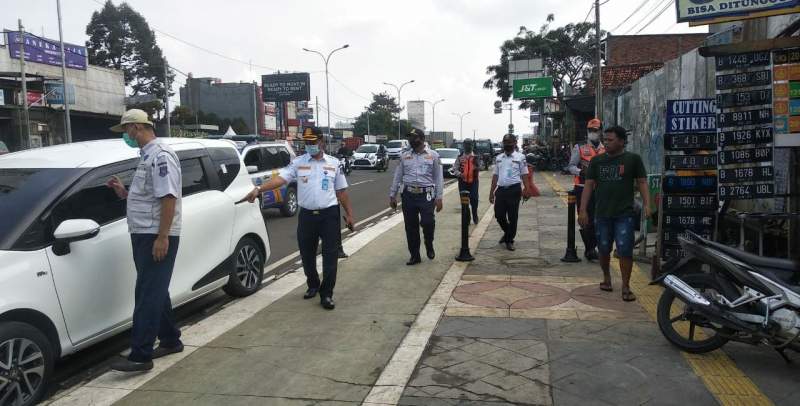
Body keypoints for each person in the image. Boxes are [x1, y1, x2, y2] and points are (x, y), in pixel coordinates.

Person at [106, 109, 184, 372]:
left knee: (147, 294)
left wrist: (162, 237)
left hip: (155, 235)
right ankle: (171, 340)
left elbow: (168, 198)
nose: (126, 136)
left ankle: (140, 355)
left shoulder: (160, 156)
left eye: (126, 131)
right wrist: (122, 193)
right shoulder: (147, 156)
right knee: (155, 291)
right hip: (145, 233)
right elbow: (149, 197)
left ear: (137, 128)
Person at [245, 127, 354, 310]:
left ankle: (326, 294)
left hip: (329, 215)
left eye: (313, 142)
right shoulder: (298, 163)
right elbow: (281, 179)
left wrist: (350, 214)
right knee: (306, 255)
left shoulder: (334, 163)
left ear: (321, 141)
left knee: (330, 257)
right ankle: (313, 284)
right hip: (307, 216)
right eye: (307, 142)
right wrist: (259, 189)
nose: (310, 145)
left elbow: (341, 191)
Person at [579, 125, 651, 302]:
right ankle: (606, 278)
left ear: (621, 141)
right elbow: (588, 185)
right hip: (602, 213)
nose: (606, 143)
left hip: (624, 214)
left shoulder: (633, 159)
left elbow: (642, 182)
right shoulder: (597, 161)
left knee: (625, 250)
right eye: (605, 140)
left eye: (610, 140)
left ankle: (626, 286)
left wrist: (648, 205)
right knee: (603, 248)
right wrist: (582, 210)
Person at [389, 128, 444, 265]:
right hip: (408, 195)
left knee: (428, 222)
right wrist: (393, 194)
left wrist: (439, 197)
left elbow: (438, 178)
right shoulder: (404, 156)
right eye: (410, 138)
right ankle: (415, 255)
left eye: (414, 137)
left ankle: (428, 243)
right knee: (411, 227)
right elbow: (398, 176)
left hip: (427, 195)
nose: (411, 140)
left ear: (422, 139)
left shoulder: (433, 155)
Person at [567, 118, 606, 261]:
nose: (592, 133)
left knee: (599, 219)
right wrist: (580, 172)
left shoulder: (605, 148)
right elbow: (571, 166)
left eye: (595, 130)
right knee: (585, 219)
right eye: (590, 130)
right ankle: (590, 249)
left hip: (601, 189)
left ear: (600, 131)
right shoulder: (580, 147)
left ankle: (592, 247)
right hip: (582, 188)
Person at [489, 134, 535, 251]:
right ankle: (508, 233)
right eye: (505, 142)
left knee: (513, 217)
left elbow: (524, 174)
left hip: (514, 190)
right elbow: (495, 176)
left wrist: (527, 189)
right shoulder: (499, 158)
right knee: (499, 215)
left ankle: (509, 240)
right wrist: (491, 192)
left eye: (510, 142)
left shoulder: (521, 157)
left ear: (515, 143)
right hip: (501, 190)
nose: (508, 144)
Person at [453, 138, 481, 224]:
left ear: (472, 146)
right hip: (463, 182)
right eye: (466, 144)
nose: (468, 146)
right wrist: (459, 174)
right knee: (464, 201)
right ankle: (467, 217)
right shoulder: (460, 157)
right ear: (463, 146)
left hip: (474, 182)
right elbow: (455, 169)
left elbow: (481, 167)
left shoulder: (476, 157)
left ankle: (475, 215)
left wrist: (478, 166)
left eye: (470, 144)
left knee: (474, 199)